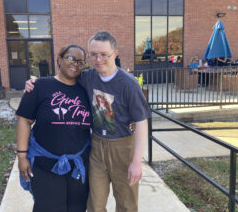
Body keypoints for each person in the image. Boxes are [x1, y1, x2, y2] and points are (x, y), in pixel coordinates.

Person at [25, 31, 151, 212]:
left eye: (104, 54)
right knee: (94, 204)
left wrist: (137, 161)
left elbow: (141, 121)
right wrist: (36, 82)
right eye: (93, 54)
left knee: (127, 204)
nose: (98, 59)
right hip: (97, 146)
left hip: (123, 147)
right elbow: (61, 79)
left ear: (115, 54)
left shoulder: (128, 84)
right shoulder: (87, 77)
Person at [16, 44, 92, 212]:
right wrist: (22, 157)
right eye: (70, 58)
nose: (75, 64)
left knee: (77, 208)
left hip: (78, 165)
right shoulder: (39, 86)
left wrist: (130, 120)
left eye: (80, 62)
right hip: (45, 165)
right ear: (59, 59)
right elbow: (24, 121)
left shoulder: (87, 90)